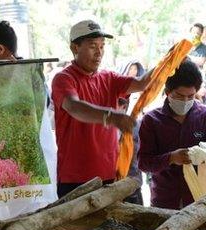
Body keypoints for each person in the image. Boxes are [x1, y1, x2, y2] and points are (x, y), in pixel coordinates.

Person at [51, 20, 154, 198]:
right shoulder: (64, 78)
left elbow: (143, 83)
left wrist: (170, 60)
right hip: (75, 179)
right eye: (92, 46)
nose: (99, 52)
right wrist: (111, 116)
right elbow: (74, 107)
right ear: (75, 48)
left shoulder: (109, 78)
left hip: (109, 175)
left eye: (102, 46)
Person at [137, 60, 206, 209]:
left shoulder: (205, 116)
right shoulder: (151, 120)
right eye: (180, 96)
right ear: (168, 92)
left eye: (191, 96)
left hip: (199, 198)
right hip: (164, 199)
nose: (186, 101)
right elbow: (143, 163)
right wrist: (171, 158)